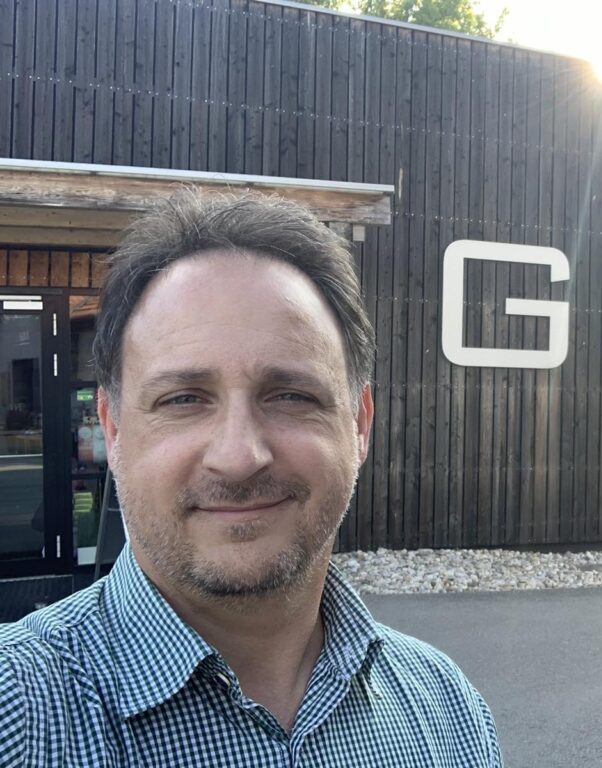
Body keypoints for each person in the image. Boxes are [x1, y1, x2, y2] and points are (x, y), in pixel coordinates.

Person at [0, 191, 503, 767]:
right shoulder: (17, 715)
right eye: (183, 399)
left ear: (359, 424)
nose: (239, 457)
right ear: (113, 429)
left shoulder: (448, 711)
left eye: (290, 396)